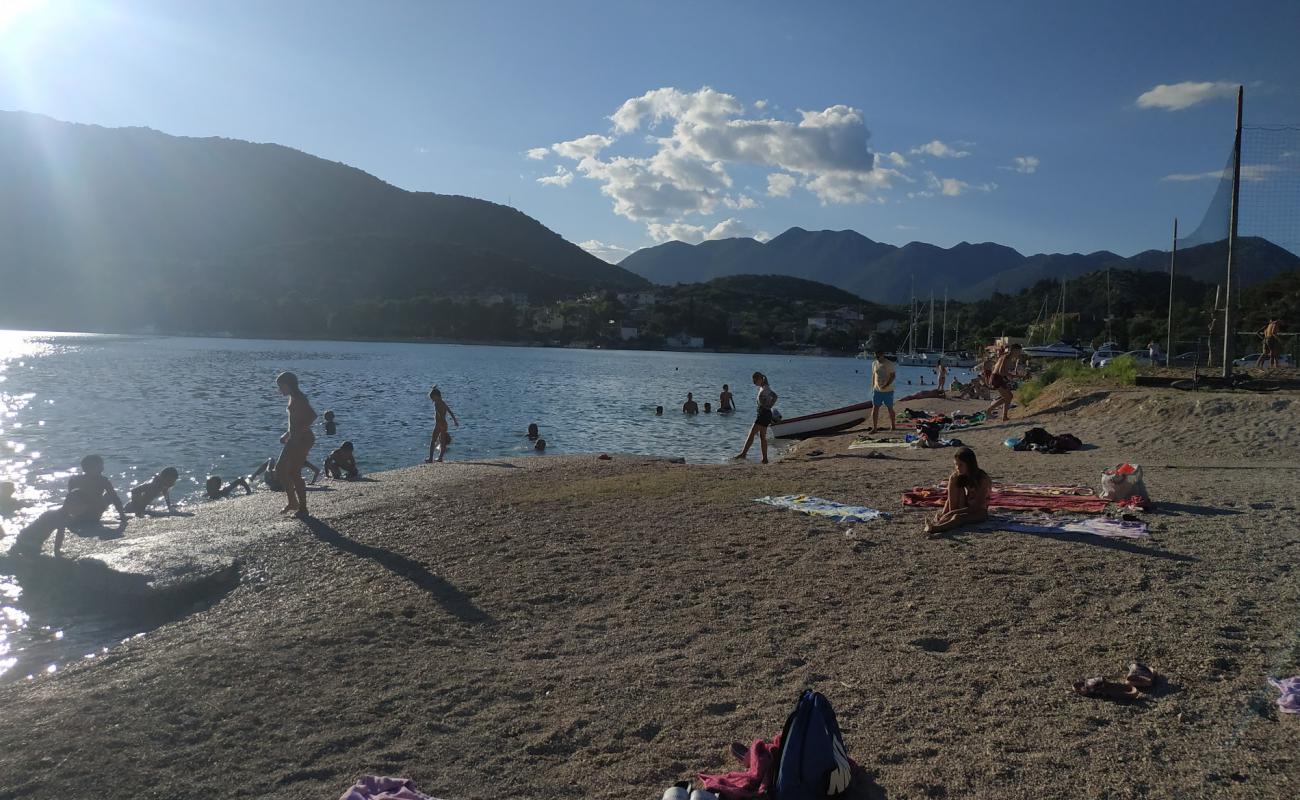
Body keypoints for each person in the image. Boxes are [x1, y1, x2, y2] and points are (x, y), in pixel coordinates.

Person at [923, 447, 992, 535]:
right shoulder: (959, 475)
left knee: (957, 517)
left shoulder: (982, 479)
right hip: (965, 506)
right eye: (956, 464)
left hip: (979, 511)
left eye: (961, 465)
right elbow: (950, 498)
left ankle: (936, 529)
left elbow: (977, 506)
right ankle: (944, 521)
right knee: (953, 478)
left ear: (969, 464)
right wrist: (945, 513)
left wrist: (953, 513)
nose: (957, 468)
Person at [275, 371, 318, 516]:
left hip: (302, 439)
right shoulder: (293, 397)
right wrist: (288, 434)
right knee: (282, 470)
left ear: (288, 385)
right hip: (296, 438)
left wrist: (297, 433)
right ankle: (294, 502)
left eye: (281, 386)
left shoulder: (299, 398)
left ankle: (301, 507)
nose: (279, 390)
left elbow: (312, 416)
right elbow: (297, 420)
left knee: (291, 471)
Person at [9, 489, 96, 558]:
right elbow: (60, 535)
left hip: (25, 536)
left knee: (24, 547)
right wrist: (57, 552)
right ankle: (19, 550)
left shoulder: (59, 512)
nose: (82, 511)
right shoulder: (61, 516)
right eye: (81, 508)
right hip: (30, 541)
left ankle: (17, 548)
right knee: (33, 558)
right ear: (70, 504)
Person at [66, 454, 126, 525]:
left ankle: (74, 516)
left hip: (76, 515)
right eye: (101, 466)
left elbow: (69, 499)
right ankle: (120, 513)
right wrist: (122, 515)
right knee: (109, 496)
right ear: (96, 468)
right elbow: (115, 498)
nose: (102, 468)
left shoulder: (74, 479)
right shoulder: (103, 480)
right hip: (93, 515)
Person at [734, 371, 777, 464]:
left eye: (755, 381)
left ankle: (743, 454)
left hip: (764, 413)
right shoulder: (763, 386)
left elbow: (775, 396)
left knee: (752, 432)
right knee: (762, 436)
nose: (754, 383)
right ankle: (765, 459)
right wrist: (768, 405)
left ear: (760, 379)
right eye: (753, 381)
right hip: (764, 413)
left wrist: (769, 405)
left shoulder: (765, 388)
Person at [986, 344, 1024, 420]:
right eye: (1019, 351)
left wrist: (1012, 375)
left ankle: (1004, 416)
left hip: (997, 378)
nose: (1019, 353)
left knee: (1009, 396)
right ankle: (989, 411)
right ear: (1013, 351)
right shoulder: (1006, 357)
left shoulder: (1008, 357)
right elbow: (1000, 371)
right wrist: (1013, 376)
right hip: (996, 378)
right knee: (1008, 396)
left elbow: (999, 369)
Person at [426, 386, 459, 463]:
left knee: (433, 440)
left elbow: (439, 414)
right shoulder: (443, 402)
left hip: (439, 424)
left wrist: (438, 420)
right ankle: (440, 458)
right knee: (443, 441)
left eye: (432, 398)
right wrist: (455, 421)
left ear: (436, 396)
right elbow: (450, 411)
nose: (432, 400)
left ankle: (431, 458)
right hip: (445, 424)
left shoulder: (437, 403)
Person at [251, 456, 320, 491]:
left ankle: (253, 477)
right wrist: (312, 482)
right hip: (283, 485)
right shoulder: (303, 461)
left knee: (271, 459)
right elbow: (317, 470)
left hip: (274, 483)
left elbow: (275, 473)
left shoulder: (286, 460)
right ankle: (254, 477)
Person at [869, 350, 896, 433]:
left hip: (888, 390)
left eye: (879, 356)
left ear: (883, 355)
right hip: (877, 390)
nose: (877, 358)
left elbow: (893, 376)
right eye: (876, 356)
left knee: (890, 408)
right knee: (875, 408)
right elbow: (874, 375)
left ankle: (893, 425)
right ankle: (875, 428)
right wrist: (872, 386)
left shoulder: (889, 364)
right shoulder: (874, 363)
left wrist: (886, 385)